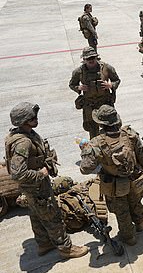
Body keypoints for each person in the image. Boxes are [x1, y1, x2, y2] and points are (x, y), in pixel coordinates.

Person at [5, 102, 89, 259]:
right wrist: (41, 173)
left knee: (36, 215)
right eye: (32, 117)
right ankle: (66, 248)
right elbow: (17, 173)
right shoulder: (23, 142)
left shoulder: (20, 135)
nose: (36, 118)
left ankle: (44, 243)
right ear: (23, 120)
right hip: (37, 188)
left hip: (31, 189)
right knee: (52, 216)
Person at [79, 105, 143, 246]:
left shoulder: (96, 143)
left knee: (122, 212)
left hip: (115, 185)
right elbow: (142, 155)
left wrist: (85, 151)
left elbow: (85, 168)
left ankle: (129, 238)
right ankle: (140, 225)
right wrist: (142, 172)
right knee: (136, 203)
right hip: (134, 179)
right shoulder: (130, 134)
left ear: (101, 123)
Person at [69, 47, 121, 139]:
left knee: (111, 128)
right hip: (89, 105)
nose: (91, 60)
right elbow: (72, 84)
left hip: (105, 104)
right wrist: (79, 88)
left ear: (97, 57)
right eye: (88, 59)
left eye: (93, 58)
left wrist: (110, 85)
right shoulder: (79, 72)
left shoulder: (106, 68)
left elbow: (116, 80)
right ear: (84, 60)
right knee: (93, 131)